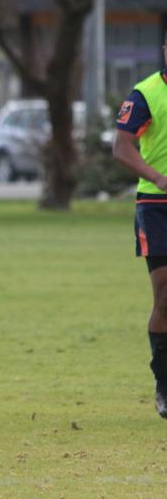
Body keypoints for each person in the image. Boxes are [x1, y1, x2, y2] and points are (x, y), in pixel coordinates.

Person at [113, 31, 167, 418]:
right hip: (157, 205)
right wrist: (159, 177)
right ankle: (164, 383)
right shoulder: (146, 93)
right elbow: (121, 147)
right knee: (165, 298)